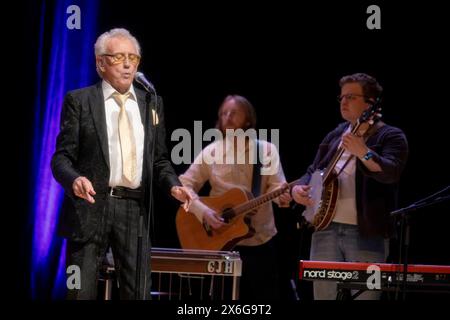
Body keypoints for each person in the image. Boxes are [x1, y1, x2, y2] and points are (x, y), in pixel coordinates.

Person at [51, 28, 191, 300]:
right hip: (90, 207)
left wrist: (174, 186)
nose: (128, 65)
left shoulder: (151, 103)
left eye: (133, 58)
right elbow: (61, 158)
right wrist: (74, 179)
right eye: (118, 58)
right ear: (100, 63)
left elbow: (159, 159)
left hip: (134, 210)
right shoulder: (80, 101)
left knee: (138, 293)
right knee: (80, 292)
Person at [292, 73, 408, 300]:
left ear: (370, 104)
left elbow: (391, 172)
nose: (343, 102)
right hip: (325, 229)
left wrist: (363, 152)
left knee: (366, 297)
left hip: (367, 234)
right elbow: (312, 171)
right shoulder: (336, 134)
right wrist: (298, 190)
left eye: (351, 97)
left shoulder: (391, 136)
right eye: (342, 97)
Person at [179, 95, 292, 300]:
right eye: (223, 113)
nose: (227, 117)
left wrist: (283, 197)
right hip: (221, 244)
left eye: (233, 113)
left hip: (260, 241)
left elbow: (277, 186)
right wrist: (203, 211)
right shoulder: (211, 152)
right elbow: (184, 184)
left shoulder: (266, 150)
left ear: (248, 119)